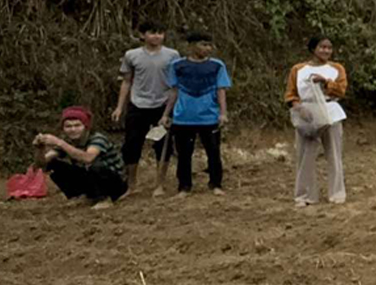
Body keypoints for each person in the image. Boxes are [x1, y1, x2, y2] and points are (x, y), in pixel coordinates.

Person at [111, 21, 179, 197]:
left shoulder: (172, 55)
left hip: (163, 104)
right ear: (142, 35)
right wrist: (120, 107)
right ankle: (131, 184)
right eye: (152, 32)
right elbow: (126, 81)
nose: (156, 36)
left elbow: (175, 84)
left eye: (160, 32)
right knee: (132, 144)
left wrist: (169, 110)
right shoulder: (131, 55)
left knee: (163, 144)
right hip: (138, 103)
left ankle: (160, 184)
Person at [160, 32, 232, 197]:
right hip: (183, 117)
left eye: (209, 45)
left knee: (213, 152)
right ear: (191, 45)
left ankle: (216, 184)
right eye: (203, 44)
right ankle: (184, 186)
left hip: (209, 116)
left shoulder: (217, 65)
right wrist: (166, 114)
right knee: (184, 154)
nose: (208, 48)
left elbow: (221, 90)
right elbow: (174, 91)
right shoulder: (177, 65)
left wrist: (223, 113)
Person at [285, 35, 349, 207]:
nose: (326, 51)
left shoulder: (336, 69)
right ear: (313, 49)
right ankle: (304, 195)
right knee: (305, 156)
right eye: (322, 47)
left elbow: (341, 90)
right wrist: (299, 108)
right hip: (307, 114)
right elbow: (291, 94)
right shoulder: (298, 69)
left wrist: (326, 82)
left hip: (330, 112)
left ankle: (336, 194)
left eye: (329, 47)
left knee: (334, 154)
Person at [33, 106, 127, 209]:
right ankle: (81, 196)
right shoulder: (68, 142)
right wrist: (39, 149)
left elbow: (88, 158)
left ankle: (105, 199)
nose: (73, 130)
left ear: (86, 126)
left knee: (95, 165)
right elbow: (41, 164)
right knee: (54, 165)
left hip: (115, 182)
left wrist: (60, 143)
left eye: (77, 125)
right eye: (68, 126)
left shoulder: (98, 138)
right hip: (91, 179)